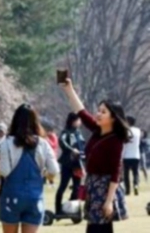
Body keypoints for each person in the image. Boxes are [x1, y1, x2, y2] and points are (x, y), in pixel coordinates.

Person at [60, 78, 131, 233]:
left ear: (113, 117)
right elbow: (82, 112)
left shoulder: (115, 141)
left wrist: (109, 201)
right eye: (98, 110)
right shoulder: (98, 130)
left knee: (98, 229)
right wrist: (69, 90)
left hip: (104, 189)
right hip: (93, 185)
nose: (98, 114)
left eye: (103, 112)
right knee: (97, 228)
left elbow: (115, 173)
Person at [0, 104, 59, 233]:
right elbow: (54, 170)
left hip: (11, 197)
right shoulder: (43, 143)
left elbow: (5, 171)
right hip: (34, 198)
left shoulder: (6, 143)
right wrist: (45, 174)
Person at [56, 112, 86, 215]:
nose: (80, 122)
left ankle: (71, 208)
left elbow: (83, 145)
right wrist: (71, 149)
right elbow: (61, 141)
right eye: (78, 120)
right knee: (63, 186)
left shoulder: (78, 133)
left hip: (77, 164)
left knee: (77, 187)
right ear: (73, 121)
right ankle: (58, 209)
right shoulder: (66, 132)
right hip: (67, 163)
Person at [122, 116, 142, 195]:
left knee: (126, 174)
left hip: (126, 155)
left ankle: (127, 190)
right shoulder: (138, 131)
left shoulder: (125, 130)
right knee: (135, 173)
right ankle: (136, 185)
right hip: (136, 155)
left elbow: (123, 144)